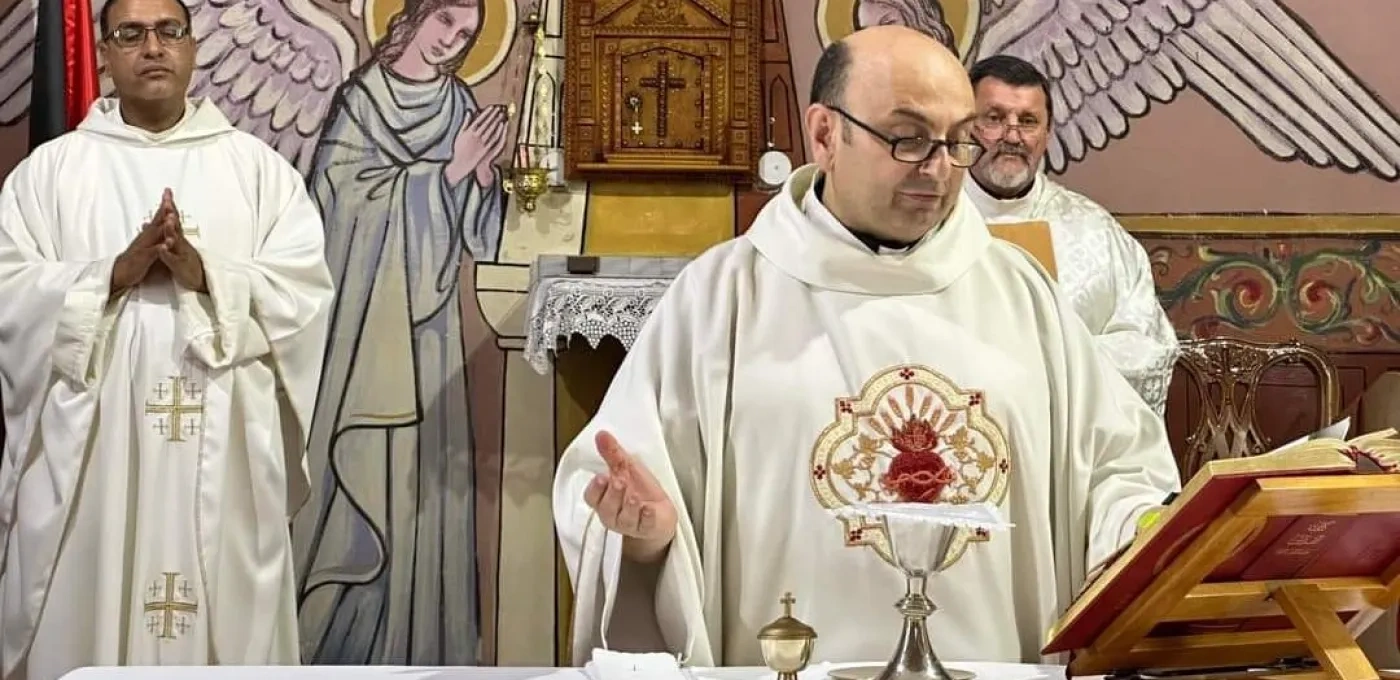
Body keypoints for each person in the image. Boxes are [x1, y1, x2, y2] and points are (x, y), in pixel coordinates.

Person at [552, 26, 1181, 668]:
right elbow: (621, 492)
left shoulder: (1021, 292)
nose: (938, 168)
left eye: (958, 140)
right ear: (825, 135)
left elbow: (1117, 466)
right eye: (908, 138)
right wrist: (649, 541)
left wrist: (1134, 526)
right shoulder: (719, 299)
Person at [0, 0, 334, 677]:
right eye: (130, 34)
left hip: (225, 458)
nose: (151, 47)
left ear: (191, 46)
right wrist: (109, 276)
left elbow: (303, 297)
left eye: (168, 31)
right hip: (94, 460)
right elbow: (10, 292)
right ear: (104, 53)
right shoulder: (48, 174)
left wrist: (206, 272)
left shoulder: (260, 173)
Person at [294, 0, 507, 665]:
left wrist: (478, 177)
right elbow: (334, 207)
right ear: (414, 17)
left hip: (429, 336)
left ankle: (415, 651)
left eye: (468, 34)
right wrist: (443, 173)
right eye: (446, 22)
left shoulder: (461, 104)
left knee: (417, 492)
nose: (453, 41)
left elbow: (482, 232)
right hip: (363, 331)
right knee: (361, 483)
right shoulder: (362, 100)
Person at [961, 55, 1179, 417]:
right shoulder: (926, 222)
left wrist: (1061, 360)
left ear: (1046, 136)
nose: (1012, 136)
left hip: (1067, 437)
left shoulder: (1094, 230)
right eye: (994, 118)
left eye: (1028, 122)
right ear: (966, 128)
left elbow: (1147, 348)